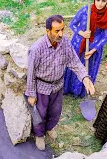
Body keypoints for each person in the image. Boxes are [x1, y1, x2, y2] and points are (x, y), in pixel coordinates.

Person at [25, 15, 95, 150]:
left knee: (55, 111)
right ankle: (39, 135)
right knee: (40, 113)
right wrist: (31, 94)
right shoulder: (36, 49)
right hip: (42, 87)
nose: (61, 34)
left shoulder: (65, 42)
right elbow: (31, 73)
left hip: (58, 85)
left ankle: (50, 128)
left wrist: (85, 77)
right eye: (57, 31)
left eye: (62, 29)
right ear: (47, 31)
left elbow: (74, 61)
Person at [64, 0, 107, 98]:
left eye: (103, 1)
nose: (100, 4)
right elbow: (72, 24)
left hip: (93, 50)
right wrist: (82, 33)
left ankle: (80, 91)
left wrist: (93, 50)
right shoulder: (85, 10)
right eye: (98, 0)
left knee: (87, 69)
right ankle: (67, 88)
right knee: (74, 65)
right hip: (78, 45)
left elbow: (105, 36)